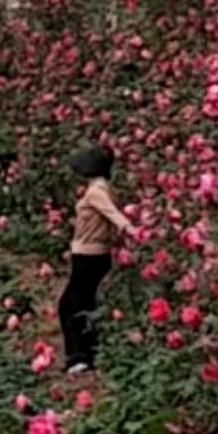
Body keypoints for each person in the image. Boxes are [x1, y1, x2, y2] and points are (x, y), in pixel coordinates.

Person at [60, 145, 131, 375]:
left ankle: (78, 357)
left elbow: (114, 216)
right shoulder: (102, 188)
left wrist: (133, 231)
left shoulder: (96, 192)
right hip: (95, 253)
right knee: (84, 303)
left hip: (88, 255)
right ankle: (89, 353)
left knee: (70, 306)